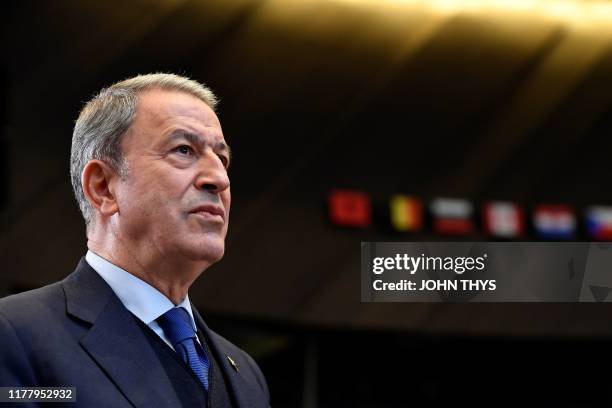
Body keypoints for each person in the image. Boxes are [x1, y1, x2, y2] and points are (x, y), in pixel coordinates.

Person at [0, 73, 270, 407]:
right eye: (184, 150)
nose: (219, 179)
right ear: (103, 187)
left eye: (222, 159)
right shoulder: (14, 336)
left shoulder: (246, 373)